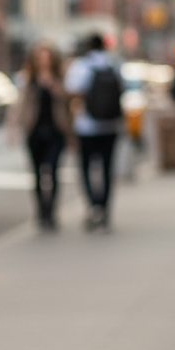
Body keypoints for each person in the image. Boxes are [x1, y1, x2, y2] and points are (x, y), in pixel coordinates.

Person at [8, 42, 71, 230]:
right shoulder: (28, 78)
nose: (44, 61)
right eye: (40, 57)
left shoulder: (60, 78)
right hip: (34, 131)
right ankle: (41, 212)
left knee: (52, 171)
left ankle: (51, 212)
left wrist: (58, 91)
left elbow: (70, 103)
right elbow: (18, 104)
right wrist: (12, 128)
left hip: (56, 131)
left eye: (47, 57)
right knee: (36, 174)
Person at [64, 33, 122, 230]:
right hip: (111, 125)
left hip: (86, 126)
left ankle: (93, 206)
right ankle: (105, 208)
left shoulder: (81, 66)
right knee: (107, 169)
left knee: (86, 169)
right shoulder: (113, 63)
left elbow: (71, 91)